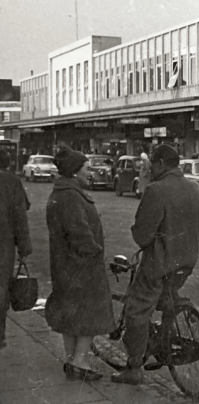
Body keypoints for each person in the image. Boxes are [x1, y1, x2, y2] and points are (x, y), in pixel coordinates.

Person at [112, 145, 199, 385]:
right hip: (185, 262)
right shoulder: (195, 187)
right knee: (167, 298)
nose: (149, 168)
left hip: (159, 265)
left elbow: (142, 236)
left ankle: (133, 368)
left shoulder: (155, 190)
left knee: (136, 310)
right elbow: (197, 228)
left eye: (152, 164)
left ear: (162, 163)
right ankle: (165, 336)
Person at [45, 147, 114, 381]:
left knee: (70, 315)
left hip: (65, 265)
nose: (89, 172)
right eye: (86, 168)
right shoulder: (72, 196)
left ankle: (72, 360)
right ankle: (81, 361)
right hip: (81, 266)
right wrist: (94, 251)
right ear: (74, 171)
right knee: (89, 314)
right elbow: (78, 232)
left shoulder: (61, 192)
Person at [0, 149, 32, 351]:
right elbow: (21, 214)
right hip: (3, 245)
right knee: (1, 288)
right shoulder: (12, 182)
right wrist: (24, 247)